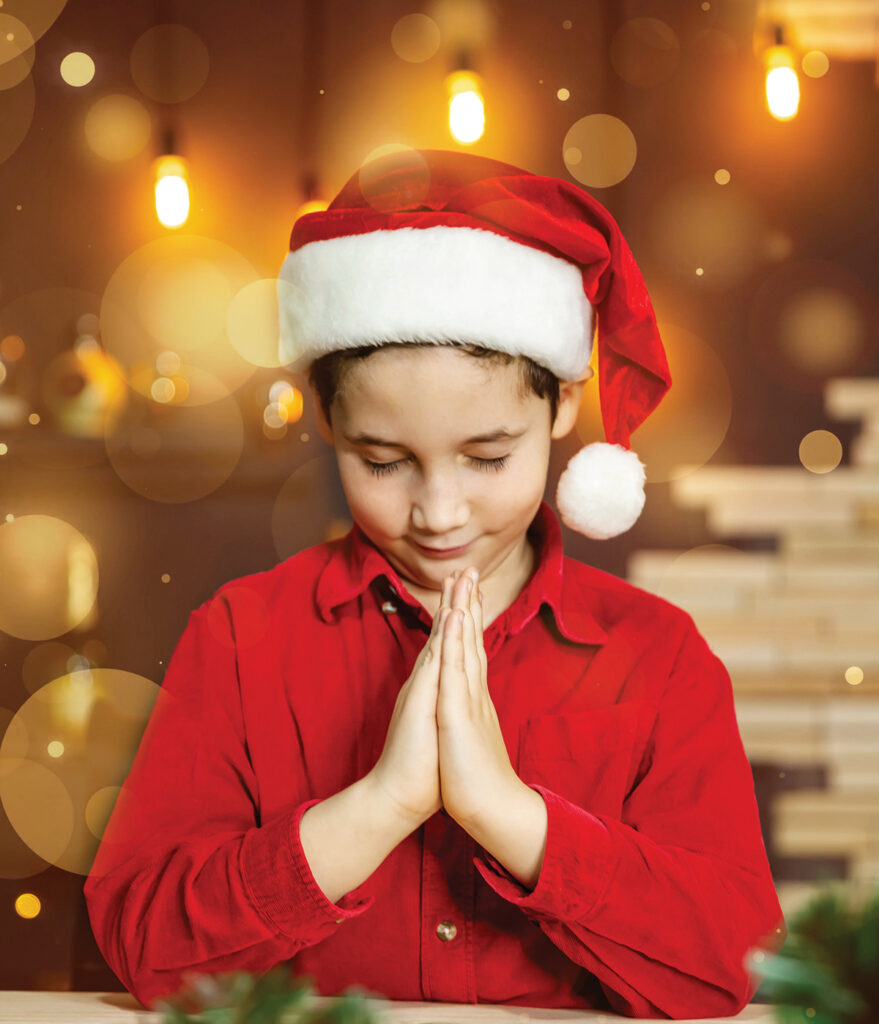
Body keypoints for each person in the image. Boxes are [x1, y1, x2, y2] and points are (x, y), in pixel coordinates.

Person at [84, 148, 786, 1018]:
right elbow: (144, 947)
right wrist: (380, 806)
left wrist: (508, 815)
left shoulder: (659, 657)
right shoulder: (239, 636)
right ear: (328, 421)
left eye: (488, 457)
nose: (439, 511)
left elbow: (728, 964)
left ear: (563, 403)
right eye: (383, 462)